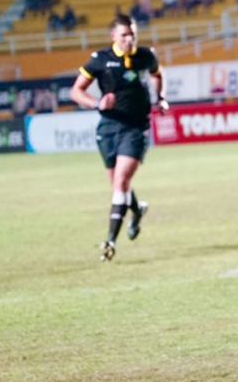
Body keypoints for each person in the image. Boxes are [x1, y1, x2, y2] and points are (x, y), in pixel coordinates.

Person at [70, 14, 168, 262]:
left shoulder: (145, 56)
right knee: (118, 184)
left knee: (121, 181)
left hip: (136, 127)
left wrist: (161, 97)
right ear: (113, 36)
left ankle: (110, 240)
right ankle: (136, 211)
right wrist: (96, 103)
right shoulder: (100, 60)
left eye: (132, 34)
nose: (129, 39)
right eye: (124, 35)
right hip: (108, 127)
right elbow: (76, 91)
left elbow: (157, 74)